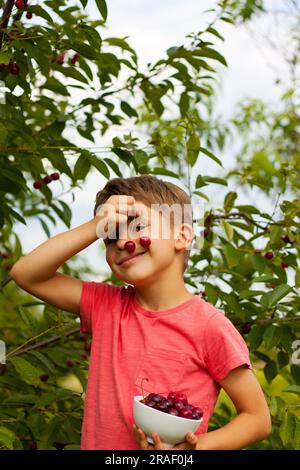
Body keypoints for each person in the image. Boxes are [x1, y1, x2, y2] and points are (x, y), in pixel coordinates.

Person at [10, 175, 271, 450]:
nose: (123, 242)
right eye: (110, 235)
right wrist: (94, 226)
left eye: (137, 226)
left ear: (181, 237)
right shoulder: (106, 306)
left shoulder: (210, 326)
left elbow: (257, 419)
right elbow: (26, 274)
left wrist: (196, 448)